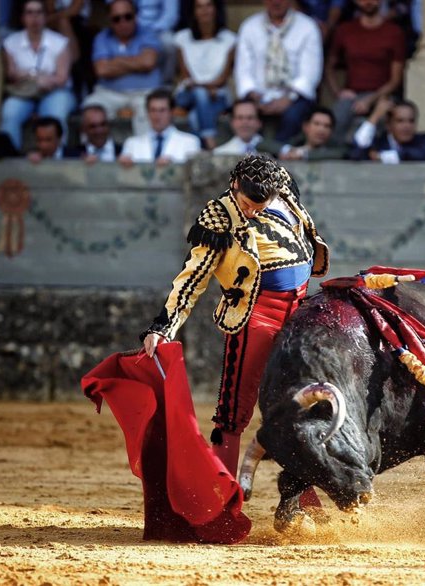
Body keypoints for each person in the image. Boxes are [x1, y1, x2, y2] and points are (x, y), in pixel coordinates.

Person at [141, 155, 329, 510]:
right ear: (234, 186)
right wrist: (163, 326)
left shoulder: (282, 188)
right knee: (233, 412)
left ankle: (305, 497)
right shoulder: (218, 218)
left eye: (260, 205)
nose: (253, 212)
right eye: (247, 205)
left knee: (297, 406)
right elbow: (192, 276)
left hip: (302, 314)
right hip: (257, 316)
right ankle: (220, 501)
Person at [234, 0, 323, 142]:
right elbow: (243, 70)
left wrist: (287, 98)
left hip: (294, 96)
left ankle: (279, 154)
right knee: (245, 114)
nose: (276, 2)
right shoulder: (249, 27)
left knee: (293, 115)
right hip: (258, 95)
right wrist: (254, 95)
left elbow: (310, 74)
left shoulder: (307, 27)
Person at [0, 0, 77, 151]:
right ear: (22, 18)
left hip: (55, 92)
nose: (34, 17)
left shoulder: (60, 42)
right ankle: (9, 158)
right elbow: (11, 74)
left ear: (45, 16)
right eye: (29, 12)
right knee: (9, 112)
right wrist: (38, 77)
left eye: (39, 12)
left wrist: (27, 75)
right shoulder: (10, 42)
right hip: (24, 92)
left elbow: (62, 78)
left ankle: (57, 159)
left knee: (55, 115)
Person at [325, 0, 405, 145]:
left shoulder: (394, 32)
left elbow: (395, 79)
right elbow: (329, 66)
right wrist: (338, 92)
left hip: (383, 95)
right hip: (352, 95)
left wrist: (370, 99)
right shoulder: (345, 30)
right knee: (335, 123)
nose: (368, 2)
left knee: (376, 128)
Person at [83, 0, 162, 136]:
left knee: (149, 111)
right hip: (109, 93)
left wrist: (116, 60)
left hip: (143, 93)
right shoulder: (102, 38)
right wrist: (136, 63)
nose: (123, 23)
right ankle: (93, 155)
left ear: (136, 16)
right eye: (117, 19)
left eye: (128, 17)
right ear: (109, 20)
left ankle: (145, 156)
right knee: (91, 109)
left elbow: (148, 62)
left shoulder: (147, 33)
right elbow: (102, 70)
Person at [173, 0, 236, 150]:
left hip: (218, 94)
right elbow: (186, 75)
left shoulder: (229, 39)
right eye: (199, 6)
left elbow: (223, 77)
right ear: (193, 11)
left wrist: (205, 86)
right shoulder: (182, 38)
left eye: (208, 5)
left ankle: (200, 148)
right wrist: (207, 88)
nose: (204, 10)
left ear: (216, 9)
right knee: (200, 93)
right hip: (188, 94)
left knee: (195, 116)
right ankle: (210, 140)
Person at [119, 88, 202, 167]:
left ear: (172, 112)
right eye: (153, 110)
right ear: (147, 113)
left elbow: (192, 176)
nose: (157, 115)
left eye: (162, 110)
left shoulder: (190, 142)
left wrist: (173, 168)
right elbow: (124, 178)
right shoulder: (132, 144)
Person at [349, 97, 425, 162]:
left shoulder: (424, 140)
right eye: (400, 121)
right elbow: (357, 151)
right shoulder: (378, 143)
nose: (407, 126)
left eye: (411, 121)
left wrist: (381, 157)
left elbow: (420, 155)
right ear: (388, 125)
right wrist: (375, 116)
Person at [212, 99, 282, 156]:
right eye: (240, 118)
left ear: (259, 122)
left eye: (250, 118)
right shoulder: (220, 153)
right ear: (232, 122)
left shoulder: (279, 151)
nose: (245, 122)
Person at [134, 0, 180, 85]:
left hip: (160, 29)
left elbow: (170, 16)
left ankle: (166, 83)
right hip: (137, 28)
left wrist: (151, 30)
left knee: (169, 44)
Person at [280, 106, 347, 160]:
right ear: (305, 127)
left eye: (327, 126)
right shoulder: (292, 148)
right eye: (316, 124)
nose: (321, 130)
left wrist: (303, 155)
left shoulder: (335, 153)